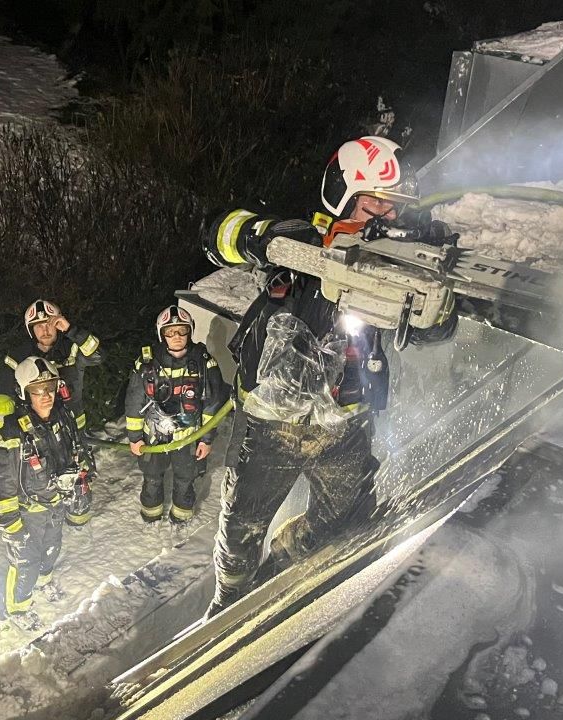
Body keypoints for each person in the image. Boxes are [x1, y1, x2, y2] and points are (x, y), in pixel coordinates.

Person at [201, 136, 457, 617]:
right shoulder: (302, 242)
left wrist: (436, 311)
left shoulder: (401, 261)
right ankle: (227, 605)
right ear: (342, 195)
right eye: (374, 200)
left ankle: (288, 562)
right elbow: (216, 233)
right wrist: (264, 235)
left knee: (346, 519)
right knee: (240, 530)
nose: (386, 213)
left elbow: (428, 333)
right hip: (273, 426)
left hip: (345, 422)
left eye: (394, 204)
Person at [0, 357, 95, 630]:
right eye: (37, 390)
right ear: (24, 392)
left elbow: (76, 448)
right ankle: (18, 608)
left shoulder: (62, 416)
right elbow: (2, 480)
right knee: (25, 563)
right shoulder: (13, 432)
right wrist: (11, 522)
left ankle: (44, 583)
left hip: (55, 502)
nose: (46, 396)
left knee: (51, 549)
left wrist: (81, 475)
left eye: (50, 387)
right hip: (27, 511)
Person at [124, 305, 227, 525]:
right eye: (170, 332)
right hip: (153, 438)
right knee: (152, 479)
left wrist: (206, 440)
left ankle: (180, 520)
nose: (177, 336)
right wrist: (134, 438)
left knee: (184, 480)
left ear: (190, 331)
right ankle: (150, 518)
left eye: (181, 330)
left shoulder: (204, 362)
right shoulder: (146, 363)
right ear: (162, 334)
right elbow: (134, 400)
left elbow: (212, 405)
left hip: (187, 438)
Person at [0, 299, 103, 432]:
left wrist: (71, 330)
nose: (45, 330)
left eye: (49, 324)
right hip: (38, 434)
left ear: (58, 325)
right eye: (39, 326)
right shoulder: (18, 358)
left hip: (72, 428)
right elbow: (9, 396)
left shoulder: (73, 349)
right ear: (31, 330)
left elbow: (99, 356)